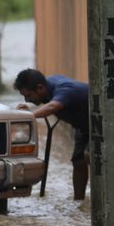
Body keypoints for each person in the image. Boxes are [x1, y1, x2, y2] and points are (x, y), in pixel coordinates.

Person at [13, 68, 90, 200]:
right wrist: (30, 109)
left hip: (99, 121)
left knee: (89, 156)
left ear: (40, 88)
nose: (27, 100)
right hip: (83, 126)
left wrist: (28, 115)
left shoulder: (64, 90)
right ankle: (79, 201)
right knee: (78, 161)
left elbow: (52, 107)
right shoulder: (48, 85)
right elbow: (49, 104)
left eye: (29, 95)